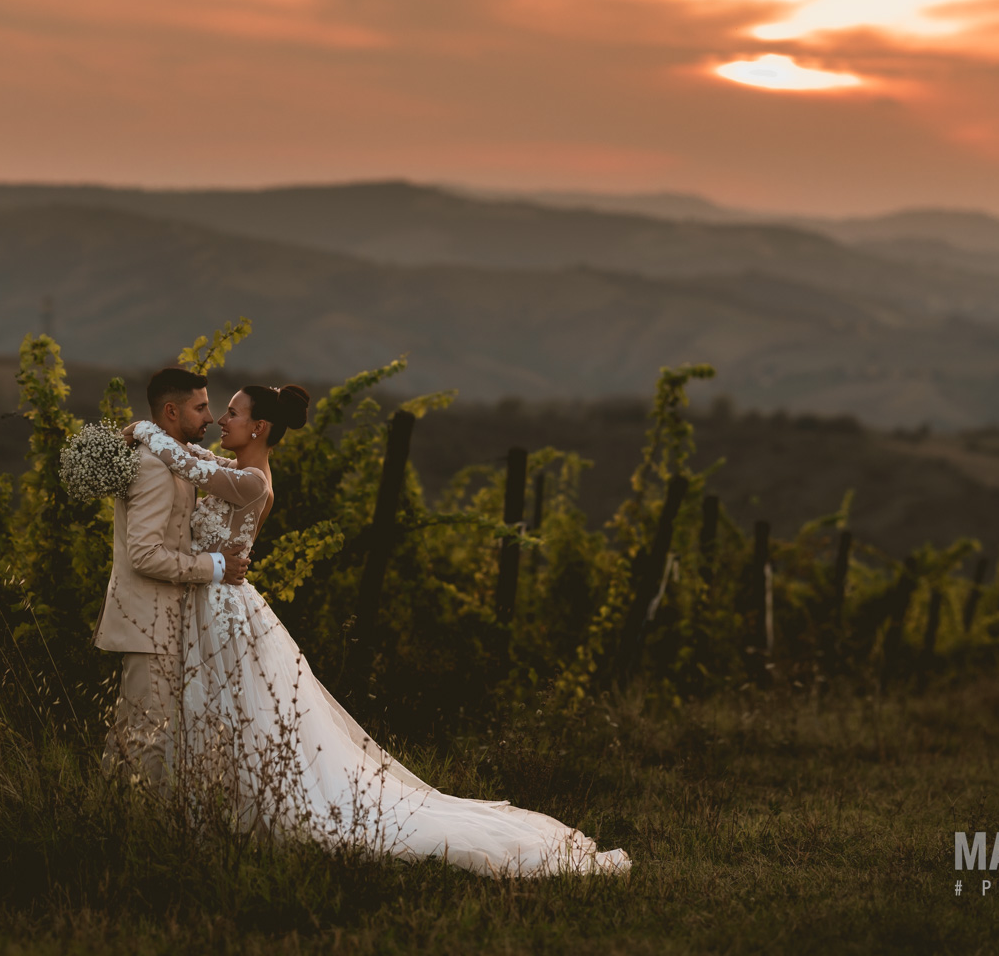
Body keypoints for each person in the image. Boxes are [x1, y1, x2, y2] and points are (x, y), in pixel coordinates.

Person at [128, 381, 630, 876]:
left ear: (258, 427)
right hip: (207, 600)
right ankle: (205, 810)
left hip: (223, 608)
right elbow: (197, 460)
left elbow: (187, 464)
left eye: (232, 413)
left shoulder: (254, 481)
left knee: (240, 712)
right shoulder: (233, 468)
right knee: (217, 711)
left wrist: (148, 431)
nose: (221, 419)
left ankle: (246, 815)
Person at [94, 367, 248, 786]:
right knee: (150, 739)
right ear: (170, 411)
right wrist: (215, 567)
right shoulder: (154, 468)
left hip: (160, 621)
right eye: (200, 407)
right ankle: (145, 837)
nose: (209, 416)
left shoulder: (171, 459)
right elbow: (144, 554)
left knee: (132, 735)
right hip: (148, 622)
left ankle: (107, 823)